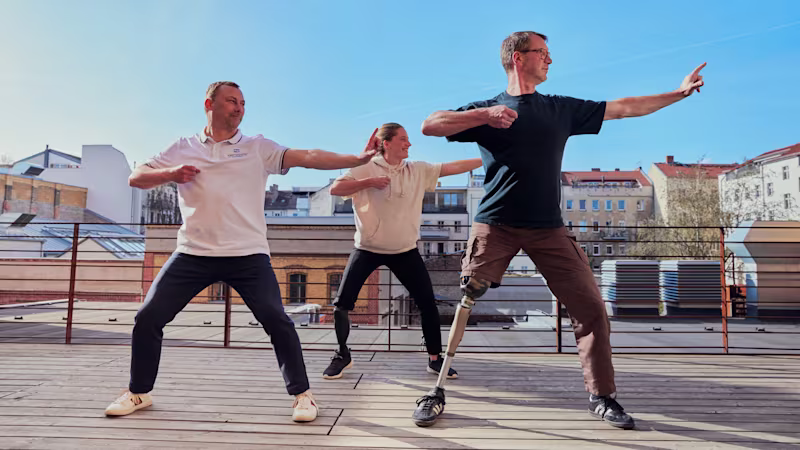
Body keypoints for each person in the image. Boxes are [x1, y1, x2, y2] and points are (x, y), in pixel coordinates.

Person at [411, 31, 706, 429]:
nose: (550, 60)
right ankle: (438, 389)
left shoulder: (560, 109)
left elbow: (623, 108)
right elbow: (431, 125)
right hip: (494, 223)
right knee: (468, 299)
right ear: (518, 57)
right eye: (543, 53)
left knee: (591, 308)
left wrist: (677, 94)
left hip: (548, 228)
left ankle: (602, 397)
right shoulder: (486, 109)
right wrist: (485, 117)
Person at [104, 81, 379, 423]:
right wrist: (171, 173)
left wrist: (357, 158)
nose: (239, 108)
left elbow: (307, 156)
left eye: (243, 103)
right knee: (147, 318)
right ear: (210, 103)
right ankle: (138, 392)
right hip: (193, 253)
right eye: (232, 101)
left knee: (277, 320)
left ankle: (303, 396)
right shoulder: (183, 146)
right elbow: (137, 177)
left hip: (247, 255)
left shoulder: (257, 147)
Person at [322, 123, 482, 380]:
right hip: (367, 249)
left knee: (428, 305)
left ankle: (434, 359)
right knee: (342, 304)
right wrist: (369, 182)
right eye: (404, 139)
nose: (409, 144)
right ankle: (342, 355)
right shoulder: (365, 167)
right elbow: (335, 189)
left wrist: (488, 157)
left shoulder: (416, 170)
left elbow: (451, 167)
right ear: (387, 143)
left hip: (405, 250)